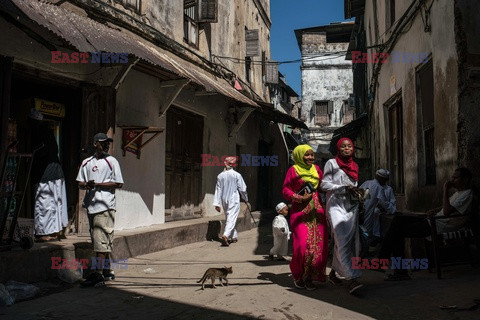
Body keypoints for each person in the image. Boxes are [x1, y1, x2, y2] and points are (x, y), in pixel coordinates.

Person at [378, 167, 474, 281]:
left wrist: (445, 189)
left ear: (465, 180)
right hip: (434, 220)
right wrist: (435, 210)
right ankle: (387, 262)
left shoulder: (467, 194)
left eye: (455, 178)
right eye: (452, 177)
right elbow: (446, 207)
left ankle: (393, 267)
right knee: (398, 220)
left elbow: (448, 211)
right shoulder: (459, 193)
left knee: (397, 231)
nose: (452, 180)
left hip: (438, 225)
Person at [76, 133, 124, 287]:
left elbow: (118, 183)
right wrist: (87, 185)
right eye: (103, 143)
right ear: (95, 143)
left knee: (100, 241)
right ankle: (107, 270)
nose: (106, 146)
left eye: (107, 143)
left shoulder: (112, 161)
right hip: (91, 205)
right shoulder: (86, 162)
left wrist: (98, 184)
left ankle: (97, 274)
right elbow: (79, 182)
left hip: (105, 206)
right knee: (101, 240)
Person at [282, 144, 328, 291]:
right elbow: (285, 190)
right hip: (300, 211)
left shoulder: (317, 170)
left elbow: (322, 187)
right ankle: (298, 275)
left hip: (318, 211)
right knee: (302, 245)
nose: (310, 157)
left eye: (312, 155)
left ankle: (309, 277)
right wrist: (298, 197)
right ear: (299, 156)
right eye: (306, 155)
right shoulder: (293, 170)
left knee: (318, 245)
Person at [321, 137, 364, 294]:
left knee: (347, 242)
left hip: (351, 207)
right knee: (342, 240)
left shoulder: (355, 166)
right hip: (335, 206)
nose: (347, 149)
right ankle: (352, 279)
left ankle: (333, 273)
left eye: (350, 146)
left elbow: (355, 185)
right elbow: (324, 184)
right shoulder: (331, 163)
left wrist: (357, 192)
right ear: (339, 149)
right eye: (344, 147)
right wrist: (342, 187)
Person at [30, 109, 68, 242]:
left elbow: (40, 152)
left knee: (44, 204)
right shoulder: (49, 133)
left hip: (46, 175)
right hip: (56, 173)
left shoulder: (38, 133)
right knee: (55, 204)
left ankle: (43, 233)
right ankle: (54, 231)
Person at [213, 156, 248, 247]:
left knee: (229, 217)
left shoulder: (220, 176)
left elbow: (218, 190)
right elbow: (243, 189)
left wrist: (217, 203)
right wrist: (245, 198)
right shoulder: (237, 175)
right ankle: (226, 235)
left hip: (224, 199)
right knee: (231, 217)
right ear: (233, 165)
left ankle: (234, 236)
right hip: (233, 199)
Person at [360, 168, 397, 245]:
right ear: (382, 179)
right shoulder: (378, 187)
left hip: (362, 212)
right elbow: (384, 203)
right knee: (366, 233)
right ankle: (364, 252)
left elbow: (363, 197)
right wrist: (393, 210)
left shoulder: (367, 183)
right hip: (367, 214)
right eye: (385, 179)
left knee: (361, 233)